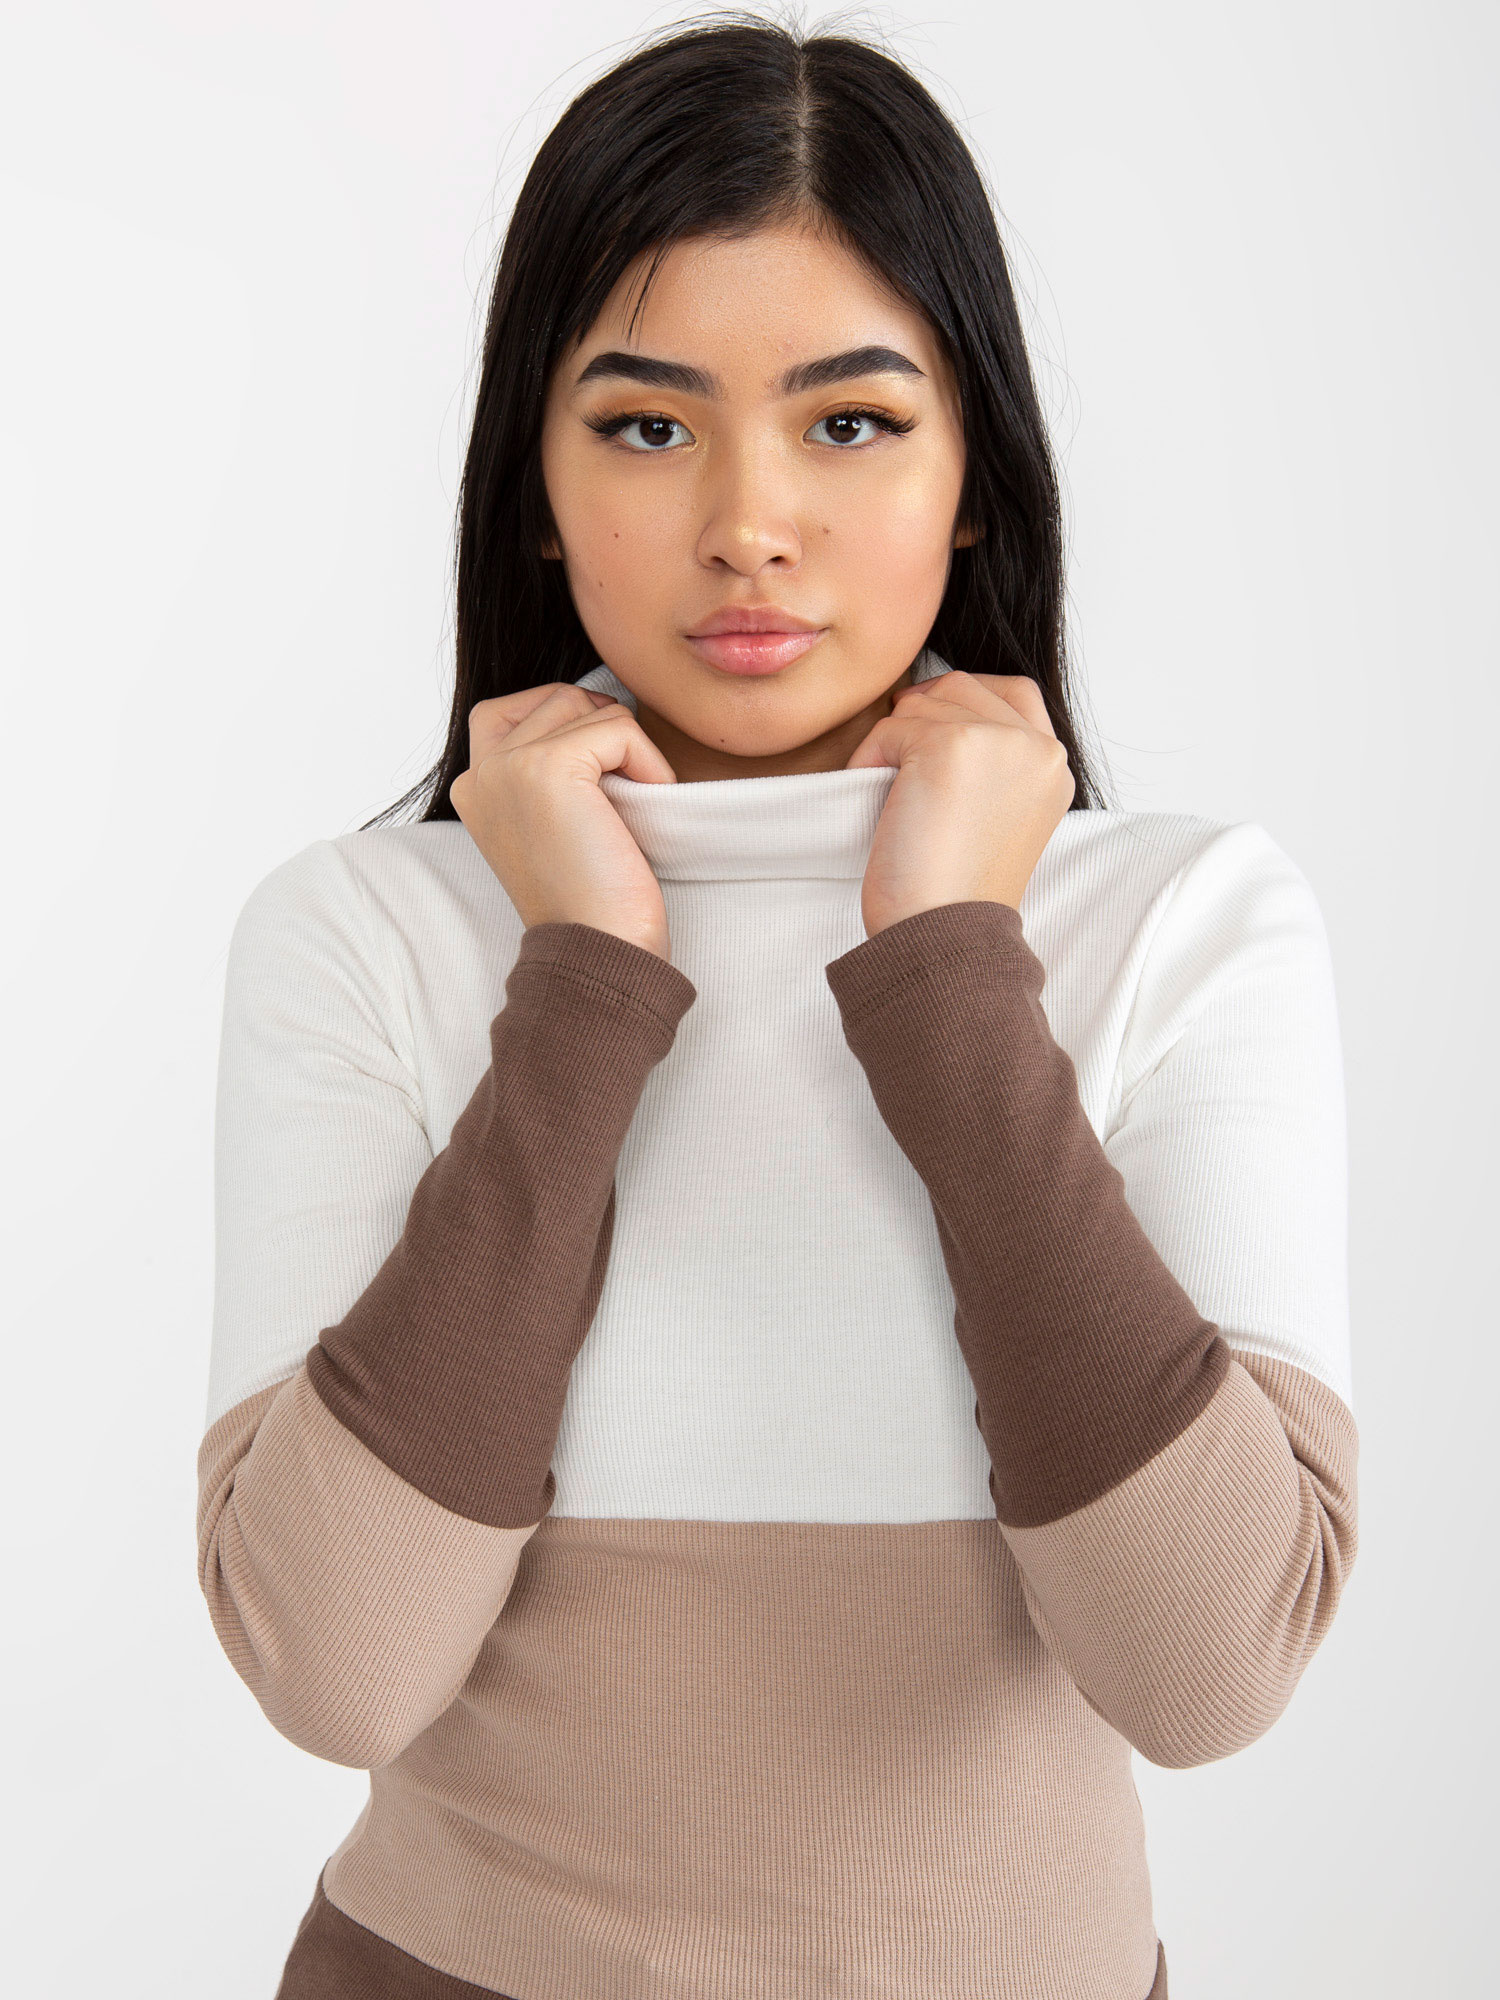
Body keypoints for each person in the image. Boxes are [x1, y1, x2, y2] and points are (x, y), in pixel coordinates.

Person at [196, 17, 1358, 1999]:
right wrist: (582, 985)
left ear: (976, 474)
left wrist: (954, 970)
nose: (750, 519)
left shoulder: (1181, 920)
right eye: (649, 428)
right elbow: (339, 1669)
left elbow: (1204, 1668)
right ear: (534, 482)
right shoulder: (368, 927)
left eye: (852, 423)